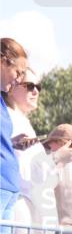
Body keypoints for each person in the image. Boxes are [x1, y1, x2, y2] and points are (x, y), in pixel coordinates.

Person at [5, 67, 59, 231]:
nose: (35, 91)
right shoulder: (9, 117)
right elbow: (32, 172)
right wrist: (59, 158)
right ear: (12, 87)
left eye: (38, 87)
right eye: (29, 86)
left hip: (28, 204)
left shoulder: (22, 120)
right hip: (17, 203)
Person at [1, 37, 29, 223]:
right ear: (3, 62)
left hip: (10, 187)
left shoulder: (2, 101)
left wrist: (11, 143)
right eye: (18, 72)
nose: (19, 80)